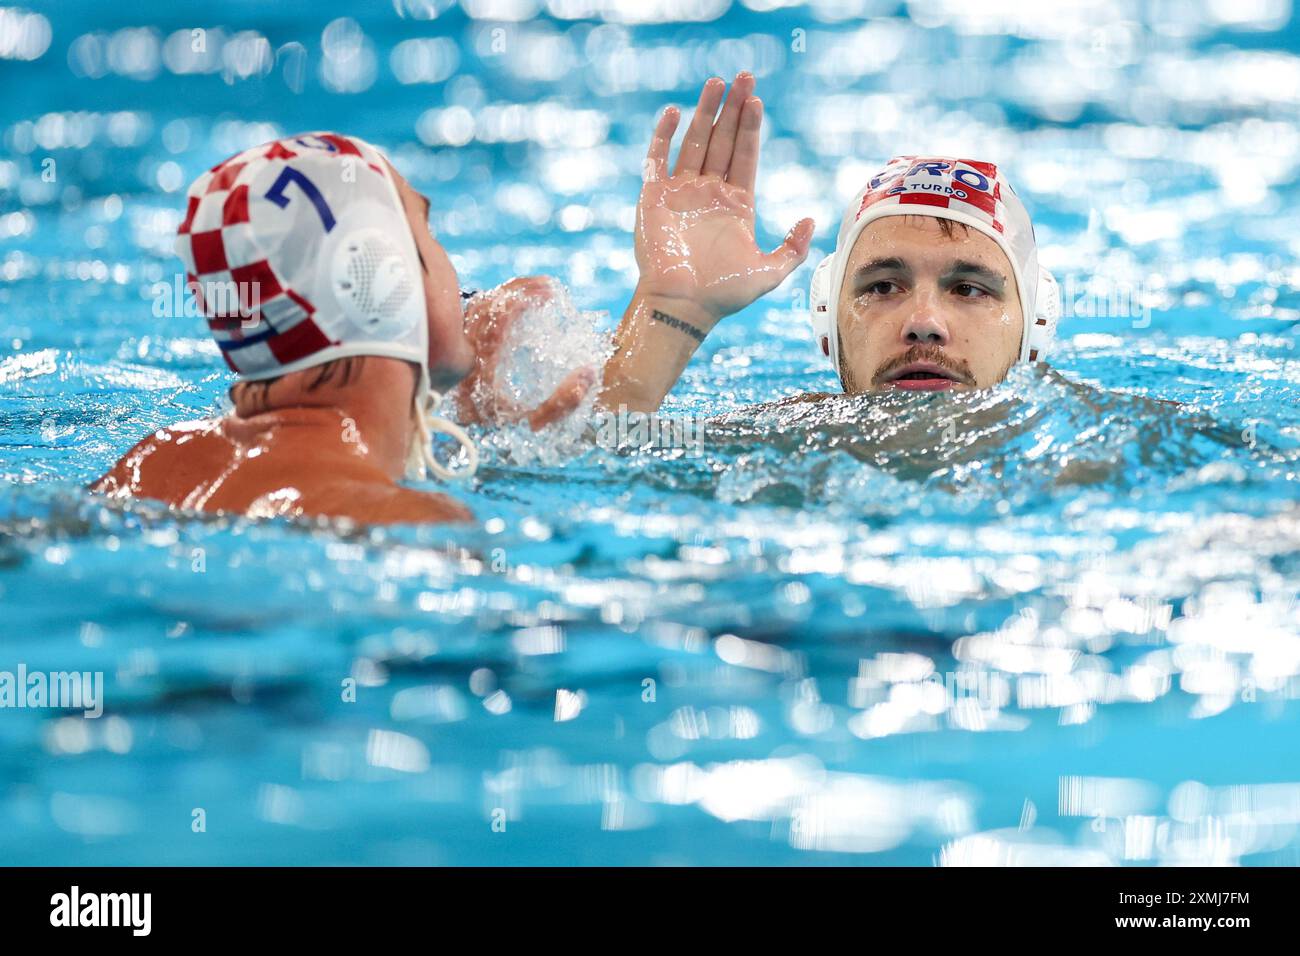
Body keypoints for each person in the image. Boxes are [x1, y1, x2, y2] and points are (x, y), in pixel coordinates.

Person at [91, 132, 590, 524]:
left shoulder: (148, 465)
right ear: (378, 279)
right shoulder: (411, 523)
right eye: (427, 233)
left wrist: (486, 446)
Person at [598, 82, 1061, 413]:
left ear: (1035, 327)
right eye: (882, 288)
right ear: (827, 320)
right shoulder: (778, 446)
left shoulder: (1098, 453)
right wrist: (672, 315)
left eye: (968, 289)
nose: (924, 324)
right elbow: (597, 459)